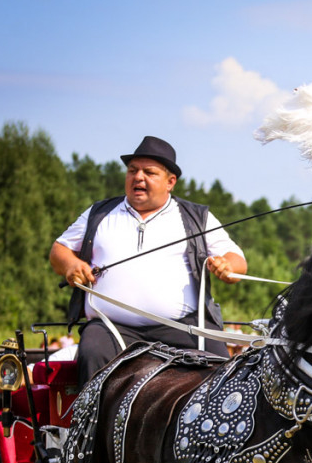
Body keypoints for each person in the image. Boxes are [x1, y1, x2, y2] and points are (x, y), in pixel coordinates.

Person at [49, 136, 247, 385]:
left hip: (182, 327)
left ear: (170, 182)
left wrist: (227, 267)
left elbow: (237, 260)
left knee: (223, 372)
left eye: (149, 172)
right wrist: (71, 265)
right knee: (92, 351)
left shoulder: (196, 217)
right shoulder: (99, 213)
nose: (138, 177)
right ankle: (93, 424)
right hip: (111, 326)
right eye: (132, 170)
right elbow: (59, 250)